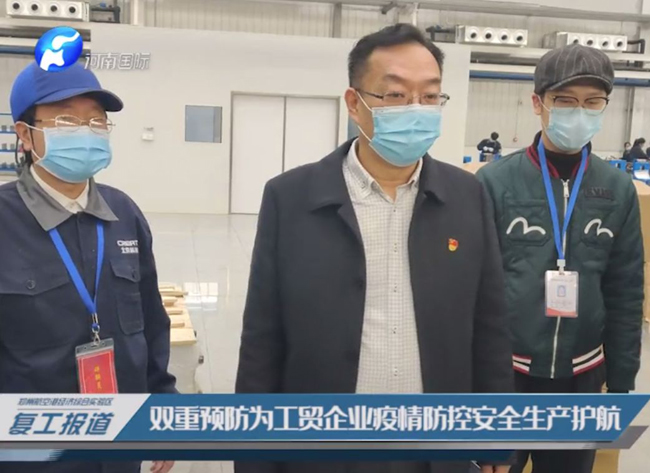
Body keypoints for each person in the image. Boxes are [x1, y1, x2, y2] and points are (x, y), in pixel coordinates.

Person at [236, 24, 513, 473]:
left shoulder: (467, 196)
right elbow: (262, 339)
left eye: (430, 96)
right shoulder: (291, 198)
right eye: (396, 95)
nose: (416, 109)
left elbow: (490, 327)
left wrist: (495, 433)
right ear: (355, 103)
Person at [0, 62, 176, 473]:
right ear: (25, 134)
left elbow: (152, 322)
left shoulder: (123, 213)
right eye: (66, 120)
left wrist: (162, 409)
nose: (85, 131)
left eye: (96, 120)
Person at [477, 44, 643, 473]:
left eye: (592, 102)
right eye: (565, 101)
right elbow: (472, 288)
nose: (579, 113)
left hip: (581, 378)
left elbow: (625, 290)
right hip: (506, 374)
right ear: (538, 103)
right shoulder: (494, 182)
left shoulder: (617, 189)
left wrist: (621, 384)